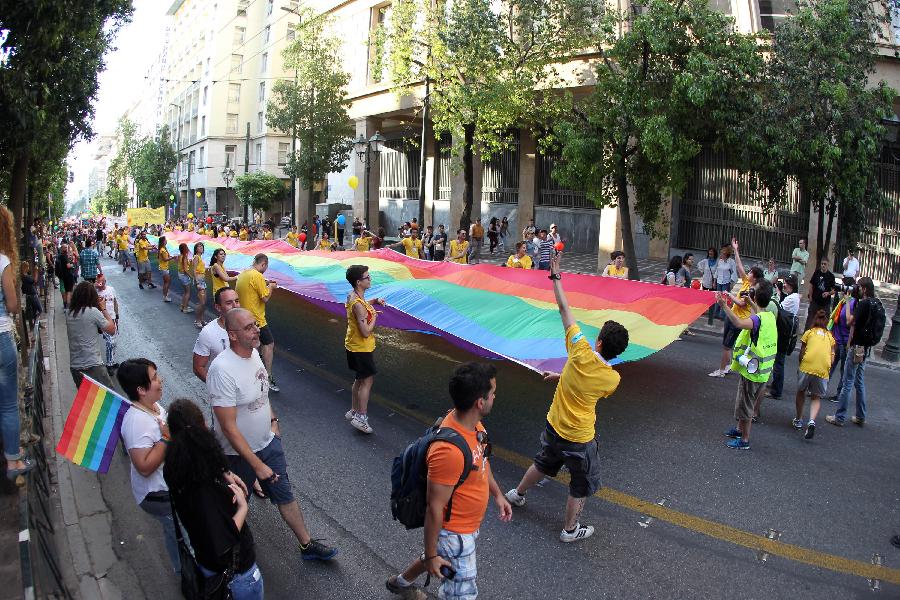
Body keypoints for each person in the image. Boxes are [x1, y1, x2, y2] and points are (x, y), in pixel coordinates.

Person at [504, 251, 629, 542]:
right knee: (581, 484)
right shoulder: (612, 379)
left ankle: (517, 494)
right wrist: (563, 377)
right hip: (579, 438)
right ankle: (570, 530)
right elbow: (590, 387)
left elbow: (564, 308)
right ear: (618, 352)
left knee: (543, 464)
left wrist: (557, 275)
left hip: (554, 425)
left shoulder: (579, 349)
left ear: (598, 341)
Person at [209, 308, 337, 561]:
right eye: (248, 327)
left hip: (268, 443)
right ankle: (229, 557)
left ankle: (306, 545)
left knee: (285, 494)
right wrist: (256, 465)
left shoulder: (255, 355)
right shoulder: (221, 370)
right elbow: (228, 427)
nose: (256, 329)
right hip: (236, 456)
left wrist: (274, 422)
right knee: (235, 504)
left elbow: (262, 394)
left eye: (255, 325)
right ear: (233, 335)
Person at [386, 363, 512, 600]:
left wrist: (497, 494)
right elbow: (435, 508)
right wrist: (433, 555)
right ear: (480, 402)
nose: (496, 395)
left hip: (467, 528)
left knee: (438, 557)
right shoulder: (449, 452)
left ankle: (401, 583)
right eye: (493, 392)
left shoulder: (474, 426)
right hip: (455, 535)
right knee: (461, 594)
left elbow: (482, 464)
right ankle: (430, 560)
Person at [164, 399, 264, 599]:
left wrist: (224, 471)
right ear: (201, 429)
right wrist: (243, 507)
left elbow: (203, 463)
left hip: (206, 564)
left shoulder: (178, 468)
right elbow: (221, 539)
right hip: (236, 575)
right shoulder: (204, 490)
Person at [116, 358, 180, 573]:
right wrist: (166, 439)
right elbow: (143, 466)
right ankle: (188, 576)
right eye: (154, 378)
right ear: (141, 389)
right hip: (158, 495)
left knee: (178, 533)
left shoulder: (152, 406)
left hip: (170, 487)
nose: (160, 380)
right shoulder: (137, 422)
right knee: (183, 538)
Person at [718, 276, 777, 450]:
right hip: (762, 370)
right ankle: (739, 429)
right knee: (745, 401)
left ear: (757, 296)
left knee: (746, 405)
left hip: (753, 371)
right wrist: (751, 302)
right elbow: (756, 314)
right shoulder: (769, 316)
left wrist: (724, 306)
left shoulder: (757, 320)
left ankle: (744, 439)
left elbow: (738, 322)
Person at [1, 206, 34, 479]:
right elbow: (12, 305)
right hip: (1, 337)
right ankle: (13, 463)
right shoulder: (2, 261)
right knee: (8, 404)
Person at [826, 276, 879, 428]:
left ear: (865, 289)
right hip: (866, 348)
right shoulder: (875, 303)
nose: (858, 289)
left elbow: (850, 322)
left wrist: (848, 303)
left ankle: (840, 416)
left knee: (848, 382)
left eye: (860, 287)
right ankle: (861, 416)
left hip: (857, 347)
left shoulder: (863, 304)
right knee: (859, 381)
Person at [344, 265, 386, 434]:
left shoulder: (353, 296)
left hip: (353, 345)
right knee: (367, 382)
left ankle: (354, 411)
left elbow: (360, 306)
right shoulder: (358, 305)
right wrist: (374, 315)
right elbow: (366, 331)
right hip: (361, 348)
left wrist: (373, 301)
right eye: (367, 277)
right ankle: (361, 417)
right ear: (358, 282)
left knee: (359, 379)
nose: (370, 279)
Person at [709, 239, 759, 378]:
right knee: (728, 344)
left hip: (737, 320)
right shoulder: (746, 282)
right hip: (732, 316)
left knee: (726, 346)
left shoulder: (751, 290)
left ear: (754, 278)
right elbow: (739, 266)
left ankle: (720, 371)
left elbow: (742, 304)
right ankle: (727, 367)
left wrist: (729, 295)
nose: (747, 274)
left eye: (750, 273)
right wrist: (736, 249)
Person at [234, 254, 279, 392]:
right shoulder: (257, 275)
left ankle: (251, 375)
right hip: (256, 319)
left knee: (253, 347)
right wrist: (271, 286)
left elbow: (252, 288)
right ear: (264, 264)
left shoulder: (244, 273)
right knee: (269, 344)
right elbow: (265, 298)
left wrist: (265, 283)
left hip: (243, 316)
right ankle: (267, 377)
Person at [66, 281, 119, 389]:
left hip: (75, 367)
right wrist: (103, 308)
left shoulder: (69, 313)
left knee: (88, 402)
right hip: (93, 365)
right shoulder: (92, 312)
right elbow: (112, 330)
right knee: (109, 398)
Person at [793, 309, 834, 440]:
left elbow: (802, 352)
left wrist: (801, 366)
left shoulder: (809, 333)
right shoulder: (830, 337)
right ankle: (811, 421)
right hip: (822, 369)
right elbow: (832, 357)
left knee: (801, 391)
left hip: (807, 365)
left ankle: (798, 419)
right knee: (816, 398)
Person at [193, 288, 241, 383]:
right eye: (229, 303)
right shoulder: (208, 332)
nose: (235, 306)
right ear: (218, 307)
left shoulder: (248, 325)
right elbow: (198, 367)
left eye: (237, 301)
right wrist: (217, 388)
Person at [766, 275, 800, 402]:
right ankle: (776, 384)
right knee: (778, 361)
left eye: (786, 283)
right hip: (785, 331)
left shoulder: (792, 298)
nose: (784, 285)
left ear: (791, 284)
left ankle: (776, 391)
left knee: (779, 362)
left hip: (784, 333)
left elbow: (779, 308)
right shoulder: (794, 297)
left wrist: (778, 295)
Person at [825, 278, 856, 400]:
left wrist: (848, 342)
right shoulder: (842, 301)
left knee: (843, 370)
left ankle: (839, 395)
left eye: (843, 286)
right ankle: (821, 389)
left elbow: (850, 323)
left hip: (844, 342)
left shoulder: (852, 303)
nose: (841, 289)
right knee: (829, 366)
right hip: (836, 340)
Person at [94, 274, 119, 371]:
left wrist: (117, 315)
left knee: (114, 342)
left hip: (112, 319)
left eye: (101, 281)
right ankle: (109, 365)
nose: (100, 284)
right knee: (110, 342)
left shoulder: (111, 289)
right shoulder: (95, 292)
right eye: (98, 281)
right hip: (103, 320)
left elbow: (115, 302)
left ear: (105, 281)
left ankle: (111, 361)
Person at [806, 258, 836, 331]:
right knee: (810, 320)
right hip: (815, 301)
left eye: (825, 264)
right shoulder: (817, 273)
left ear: (828, 265)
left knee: (825, 321)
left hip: (825, 304)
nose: (823, 265)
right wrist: (810, 297)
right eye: (822, 264)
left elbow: (834, 290)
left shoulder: (831, 276)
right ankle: (806, 337)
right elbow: (811, 285)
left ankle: (823, 337)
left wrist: (828, 293)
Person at [712, 244, 736, 320]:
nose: (721, 254)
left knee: (724, 298)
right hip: (719, 281)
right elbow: (717, 271)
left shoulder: (731, 262)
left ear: (726, 253)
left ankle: (722, 315)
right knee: (718, 297)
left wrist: (732, 283)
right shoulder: (720, 261)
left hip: (726, 282)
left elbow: (734, 273)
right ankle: (716, 313)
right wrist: (714, 281)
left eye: (722, 252)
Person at [55, 243, 76, 309]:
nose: (66, 249)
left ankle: (65, 305)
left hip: (61, 276)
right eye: (66, 247)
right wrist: (73, 264)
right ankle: (68, 306)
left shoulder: (59, 256)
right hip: (67, 276)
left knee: (64, 290)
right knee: (69, 291)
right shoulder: (64, 256)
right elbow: (68, 265)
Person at [177, 243, 194, 314]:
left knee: (185, 292)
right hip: (184, 276)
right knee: (188, 292)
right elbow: (185, 270)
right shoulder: (184, 256)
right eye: (186, 247)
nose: (187, 248)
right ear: (184, 249)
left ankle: (183, 305)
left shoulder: (180, 256)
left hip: (180, 274)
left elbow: (182, 265)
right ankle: (185, 308)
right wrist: (192, 277)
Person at [158, 236, 173, 302]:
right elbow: (165, 259)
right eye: (165, 240)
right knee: (167, 282)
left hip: (163, 268)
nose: (166, 241)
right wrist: (172, 258)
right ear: (163, 241)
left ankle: (165, 293)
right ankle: (165, 296)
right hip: (164, 268)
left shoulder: (163, 249)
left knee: (166, 282)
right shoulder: (162, 250)